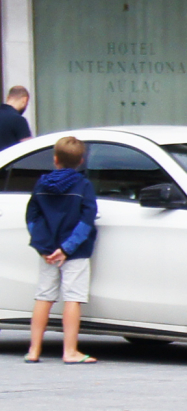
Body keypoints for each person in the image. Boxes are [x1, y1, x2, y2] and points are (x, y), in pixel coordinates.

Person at [26, 134, 98, 364]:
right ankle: (70, 351)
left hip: (47, 252)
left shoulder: (41, 184)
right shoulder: (84, 185)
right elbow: (87, 220)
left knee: (43, 297)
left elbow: (32, 217)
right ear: (81, 161)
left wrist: (44, 246)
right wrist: (67, 248)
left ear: (55, 159)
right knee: (72, 298)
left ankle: (34, 350)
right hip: (74, 252)